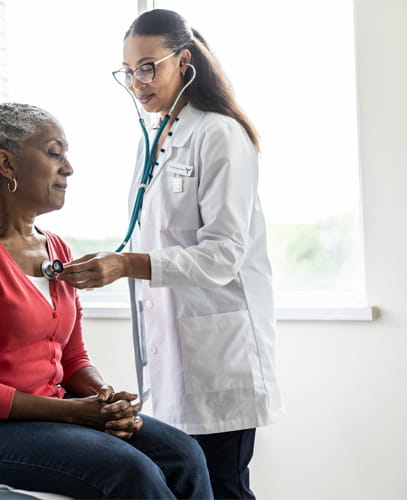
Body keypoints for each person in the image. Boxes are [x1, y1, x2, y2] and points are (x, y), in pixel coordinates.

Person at [0, 98, 212, 499]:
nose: (68, 168)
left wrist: (104, 400)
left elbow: (72, 359)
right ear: (7, 164)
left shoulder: (55, 247)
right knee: (129, 472)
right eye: (54, 154)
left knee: (184, 454)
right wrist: (74, 412)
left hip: (49, 412)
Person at [57, 9, 284, 499]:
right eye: (128, 71)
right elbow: (157, 237)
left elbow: (224, 253)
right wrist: (111, 260)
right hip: (171, 349)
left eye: (148, 67)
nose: (137, 82)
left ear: (184, 61)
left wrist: (126, 265)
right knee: (185, 482)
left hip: (219, 352)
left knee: (223, 484)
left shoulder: (219, 134)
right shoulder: (155, 137)